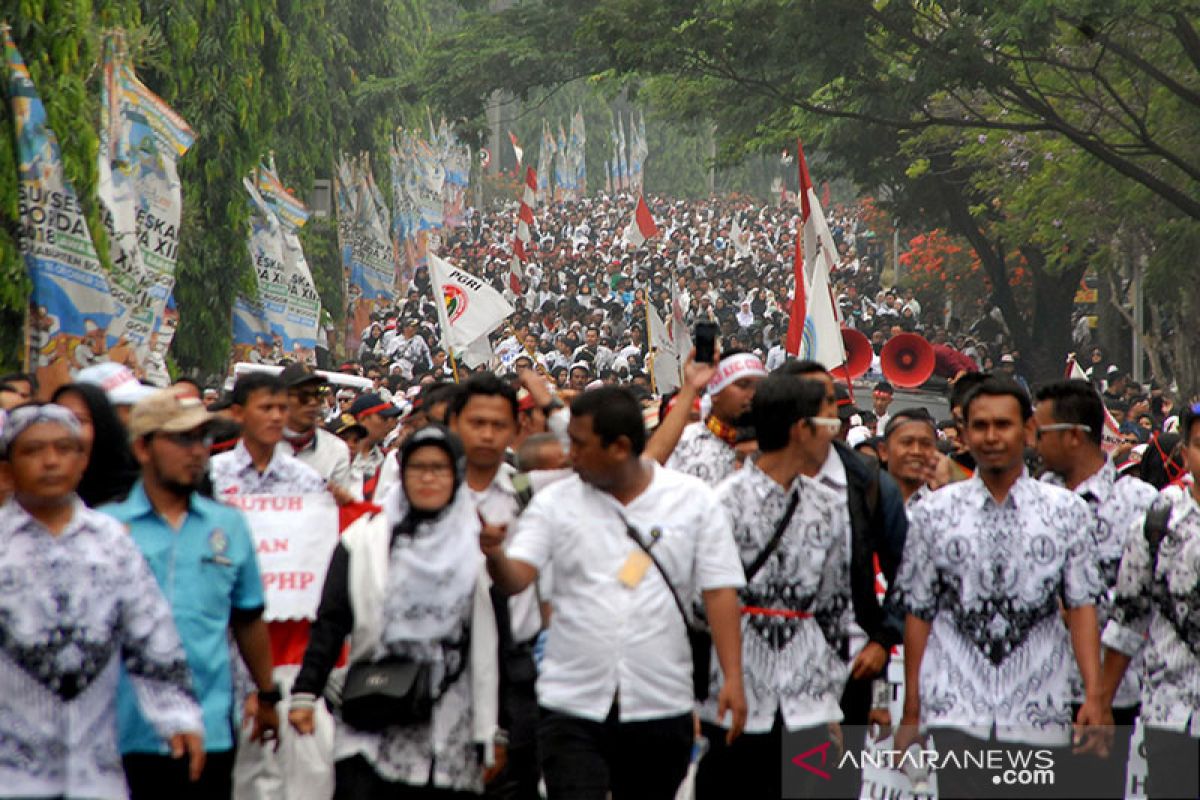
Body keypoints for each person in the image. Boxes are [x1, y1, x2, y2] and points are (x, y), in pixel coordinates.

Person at [480, 386, 748, 800]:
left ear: (620, 447)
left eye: (581, 446)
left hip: (661, 700)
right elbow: (517, 577)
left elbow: (719, 591)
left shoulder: (692, 500)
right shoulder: (554, 503)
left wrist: (732, 676)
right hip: (571, 703)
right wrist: (495, 554)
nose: (571, 455)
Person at [894, 378, 1109, 798]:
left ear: (1027, 431)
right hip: (955, 708)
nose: (991, 437)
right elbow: (918, 612)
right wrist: (911, 712)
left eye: (1003, 425)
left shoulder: (1065, 512)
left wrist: (1095, 697)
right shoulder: (934, 513)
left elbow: (1082, 606)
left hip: (1040, 707)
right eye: (980, 426)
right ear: (964, 433)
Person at [0, 403, 204, 798]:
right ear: (8, 467)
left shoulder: (111, 542)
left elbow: (151, 637)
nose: (51, 461)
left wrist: (178, 715)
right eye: (33, 450)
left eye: (64, 448)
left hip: (96, 776)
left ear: (83, 460)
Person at [290, 426, 502, 797]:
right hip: (374, 713)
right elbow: (332, 620)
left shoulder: (479, 546)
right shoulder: (365, 540)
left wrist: (498, 728)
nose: (428, 478)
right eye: (418, 467)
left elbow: (501, 636)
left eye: (440, 468)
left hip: (452, 721)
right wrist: (306, 691)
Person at [104, 388, 279, 799]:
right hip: (119, 729)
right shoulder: (105, 528)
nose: (197, 451)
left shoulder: (229, 527)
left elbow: (248, 617)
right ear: (143, 447)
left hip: (211, 725)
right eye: (182, 439)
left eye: (202, 439)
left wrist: (268, 694)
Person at [696, 375, 855, 799]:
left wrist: (831, 696)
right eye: (828, 425)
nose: (832, 437)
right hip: (733, 696)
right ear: (801, 429)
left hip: (807, 702)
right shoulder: (721, 503)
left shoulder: (830, 506)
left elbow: (837, 607)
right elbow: (699, 603)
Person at [1033, 379, 1159, 796]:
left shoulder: (1139, 503)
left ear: (1073, 435)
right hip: (1035, 694)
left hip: (1112, 692)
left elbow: (1146, 601)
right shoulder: (1032, 499)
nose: (1032, 442)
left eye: (1040, 431)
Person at [208, 372, 329, 800]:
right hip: (218, 639)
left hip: (280, 644)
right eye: (267, 408)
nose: (277, 417)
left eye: (282, 408)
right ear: (239, 413)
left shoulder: (307, 483)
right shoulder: (212, 479)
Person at [778, 360, 908, 738]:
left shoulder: (871, 486)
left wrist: (884, 641)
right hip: (766, 671)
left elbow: (908, 573)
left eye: (829, 400)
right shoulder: (750, 481)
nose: (823, 409)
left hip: (849, 669)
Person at [1100, 403, 1200, 800]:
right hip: (1170, 716)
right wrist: (1101, 703)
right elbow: (1127, 619)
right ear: (1186, 453)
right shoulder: (1158, 522)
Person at [664, 351, 766, 484]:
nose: (753, 394)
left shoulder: (780, 442)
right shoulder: (683, 444)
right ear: (715, 393)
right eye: (743, 385)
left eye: (760, 386)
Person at [277, 363, 359, 502]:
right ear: (281, 398)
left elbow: (339, 511)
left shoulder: (336, 450)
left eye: (317, 395)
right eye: (304, 396)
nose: (313, 403)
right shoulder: (260, 446)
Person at [51, 381, 140, 507]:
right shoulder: (36, 495)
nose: (66, 430)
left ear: (102, 426)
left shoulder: (138, 495)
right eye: (56, 420)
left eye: (79, 420)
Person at [348, 391, 402, 501]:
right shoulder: (336, 455)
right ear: (362, 419)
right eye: (383, 418)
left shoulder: (389, 459)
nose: (389, 424)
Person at [881, 408, 938, 507]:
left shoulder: (948, 505)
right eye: (907, 442)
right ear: (884, 451)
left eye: (926, 444)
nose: (916, 451)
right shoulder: (864, 502)